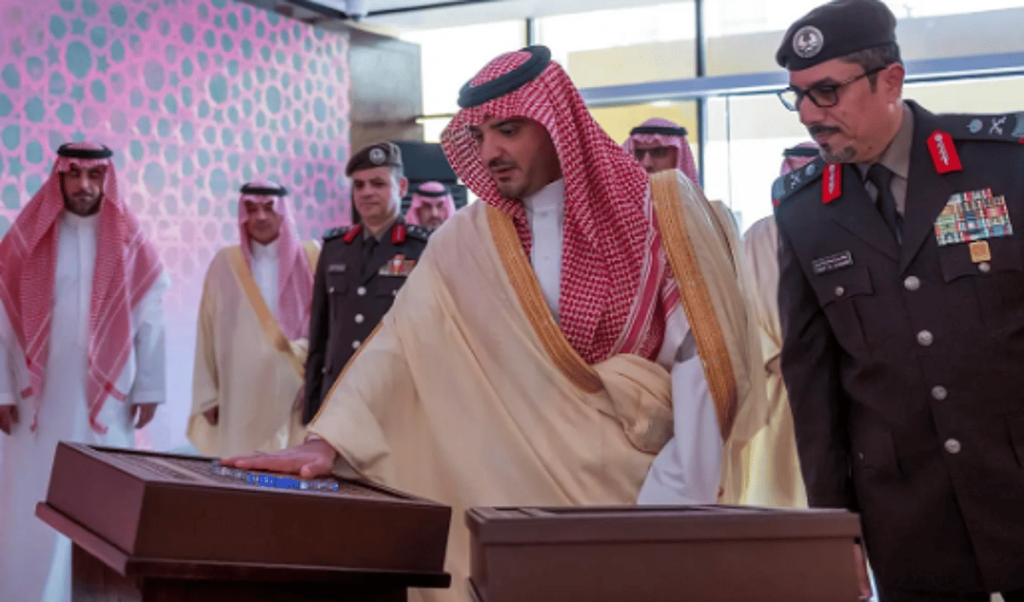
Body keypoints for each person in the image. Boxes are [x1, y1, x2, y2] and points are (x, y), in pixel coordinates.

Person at [226, 45, 762, 602]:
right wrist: (328, 441)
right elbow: (398, 346)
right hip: (502, 512)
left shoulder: (659, 214)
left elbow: (704, 370)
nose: (490, 152)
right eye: (479, 135)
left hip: (637, 502)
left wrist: (669, 511)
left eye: (508, 130)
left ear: (559, 124)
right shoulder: (468, 237)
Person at [773, 1, 1024, 599]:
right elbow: (814, 387)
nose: (808, 114)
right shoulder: (804, 210)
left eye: (827, 92)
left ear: (890, 80)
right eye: (797, 96)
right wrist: (834, 529)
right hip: (909, 522)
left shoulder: (1004, 166)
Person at [0, 142, 169, 602]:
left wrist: (149, 386)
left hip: (107, 403)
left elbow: (151, 316)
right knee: (33, 495)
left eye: (94, 176)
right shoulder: (25, 239)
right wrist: (3, 391)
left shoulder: (129, 241)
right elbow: (1, 321)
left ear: (107, 180)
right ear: (58, 178)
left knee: (102, 499)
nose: (84, 185)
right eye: (74, 175)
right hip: (37, 400)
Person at [301, 142, 431, 424]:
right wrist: (312, 408)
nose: (366, 192)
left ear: (402, 187)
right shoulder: (335, 248)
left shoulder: (422, 248)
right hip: (339, 396)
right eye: (358, 185)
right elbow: (319, 334)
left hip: (397, 397)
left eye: (378, 183)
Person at [188, 182, 320, 457]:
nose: (260, 217)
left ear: (283, 213)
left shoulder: (312, 257)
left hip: (296, 385)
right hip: (240, 390)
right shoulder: (226, 262)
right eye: (251, 209)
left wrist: (318, 383)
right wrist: (206, 395)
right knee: (241, 464)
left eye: (269, 208)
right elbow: (206, 329)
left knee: (291, 466)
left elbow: (328, 327)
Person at [739, 143, 817, 509]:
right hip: (774, 383)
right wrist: (777, 356)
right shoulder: (759, 235)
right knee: (773, 490)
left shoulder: (852, 231)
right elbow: (743, 310)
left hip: (835, 382)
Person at [622, 117, 699, 182]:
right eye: (638, 153)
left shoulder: (692, 196)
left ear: (679, 157)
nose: (646, 164)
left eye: (659, 152)